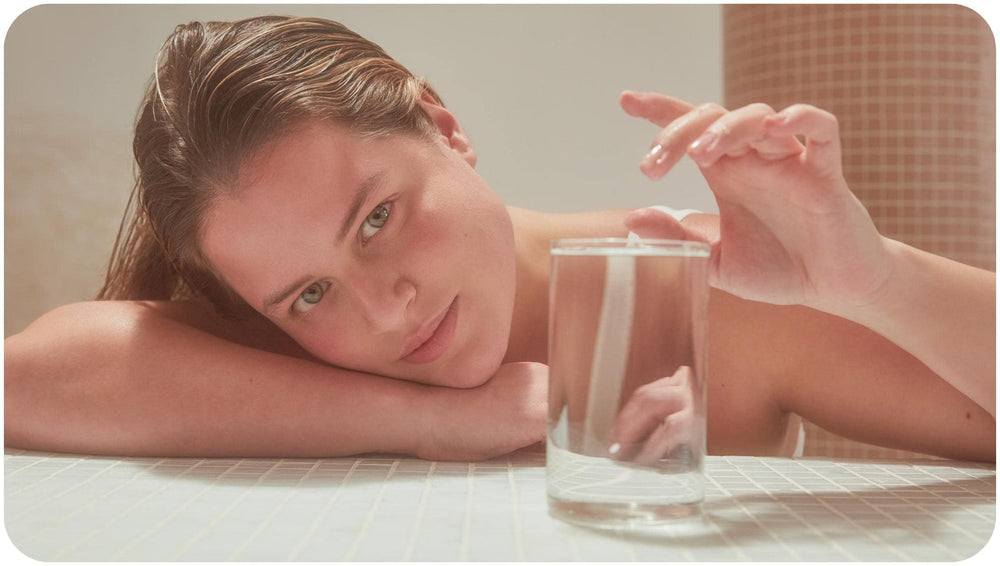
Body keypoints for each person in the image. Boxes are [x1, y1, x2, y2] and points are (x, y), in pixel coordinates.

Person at [3, 15, 994, 462]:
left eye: (377, 217)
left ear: (443, 126)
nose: (383, 307)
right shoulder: (293, 356)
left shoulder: (701, 287)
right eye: (308, 292)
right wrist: (425, 421)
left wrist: (872, 283)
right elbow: (30, 378)